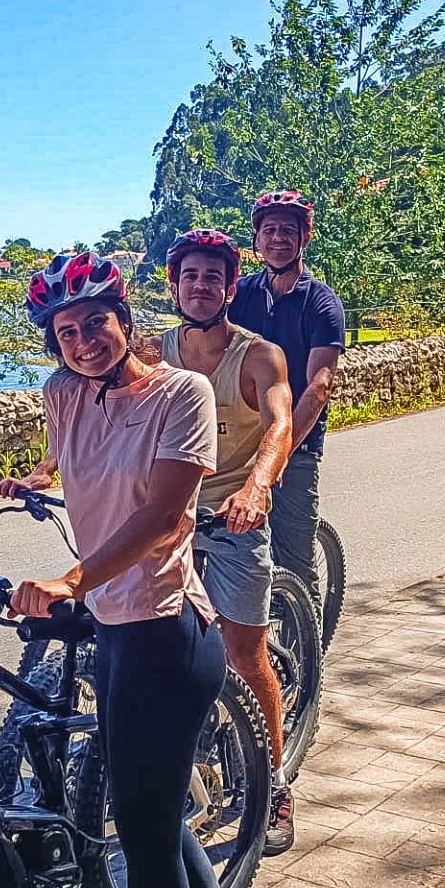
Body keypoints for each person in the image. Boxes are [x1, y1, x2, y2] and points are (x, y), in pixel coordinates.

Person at [0, 250, 255, 888]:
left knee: (143, 840)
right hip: (114, 627)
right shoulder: (62, 395)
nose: (83, 341)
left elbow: (164, 518)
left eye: (96, 323)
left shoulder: (183, 394)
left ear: (126, 321)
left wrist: (71, 580)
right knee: (157, 823)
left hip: (168, 636)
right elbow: (77, 465)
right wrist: (38, 486)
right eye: (66, 331)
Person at [158, 228, 299, 855]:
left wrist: (258, 488)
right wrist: (47, 470)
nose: (201, 286)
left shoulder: (259, 356)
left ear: (230, 287)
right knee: (154, 648)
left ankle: (274, 783)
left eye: (213, 277)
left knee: (245, 654)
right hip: (169, 517)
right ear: (174, 284)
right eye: (191, 275)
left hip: (234, 516)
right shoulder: (151, 353)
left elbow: (280, 425)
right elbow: (100, 410)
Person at [226, 191, 345, 611]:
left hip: (295, 443)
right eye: (269, 230)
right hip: (237, 442)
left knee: (294, 562)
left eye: (288, 231)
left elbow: (320, 385)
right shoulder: (239, 294)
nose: (278, 239)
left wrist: (278, 453)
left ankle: (308, 665)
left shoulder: (321, 302)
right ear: (257, 238)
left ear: (304, 237)